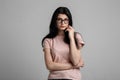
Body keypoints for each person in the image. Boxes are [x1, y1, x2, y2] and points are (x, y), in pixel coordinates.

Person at [41, 7, 85, 80]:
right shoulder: (48, 41)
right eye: (59, 20)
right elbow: (50, 66)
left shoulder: (76, 37)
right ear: (54, 21)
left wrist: (71, 38)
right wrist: (73, 66)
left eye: (65, 20)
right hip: (55, 78)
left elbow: (75, 61)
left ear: (69, 21)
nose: (62, 23)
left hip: (73, 78)